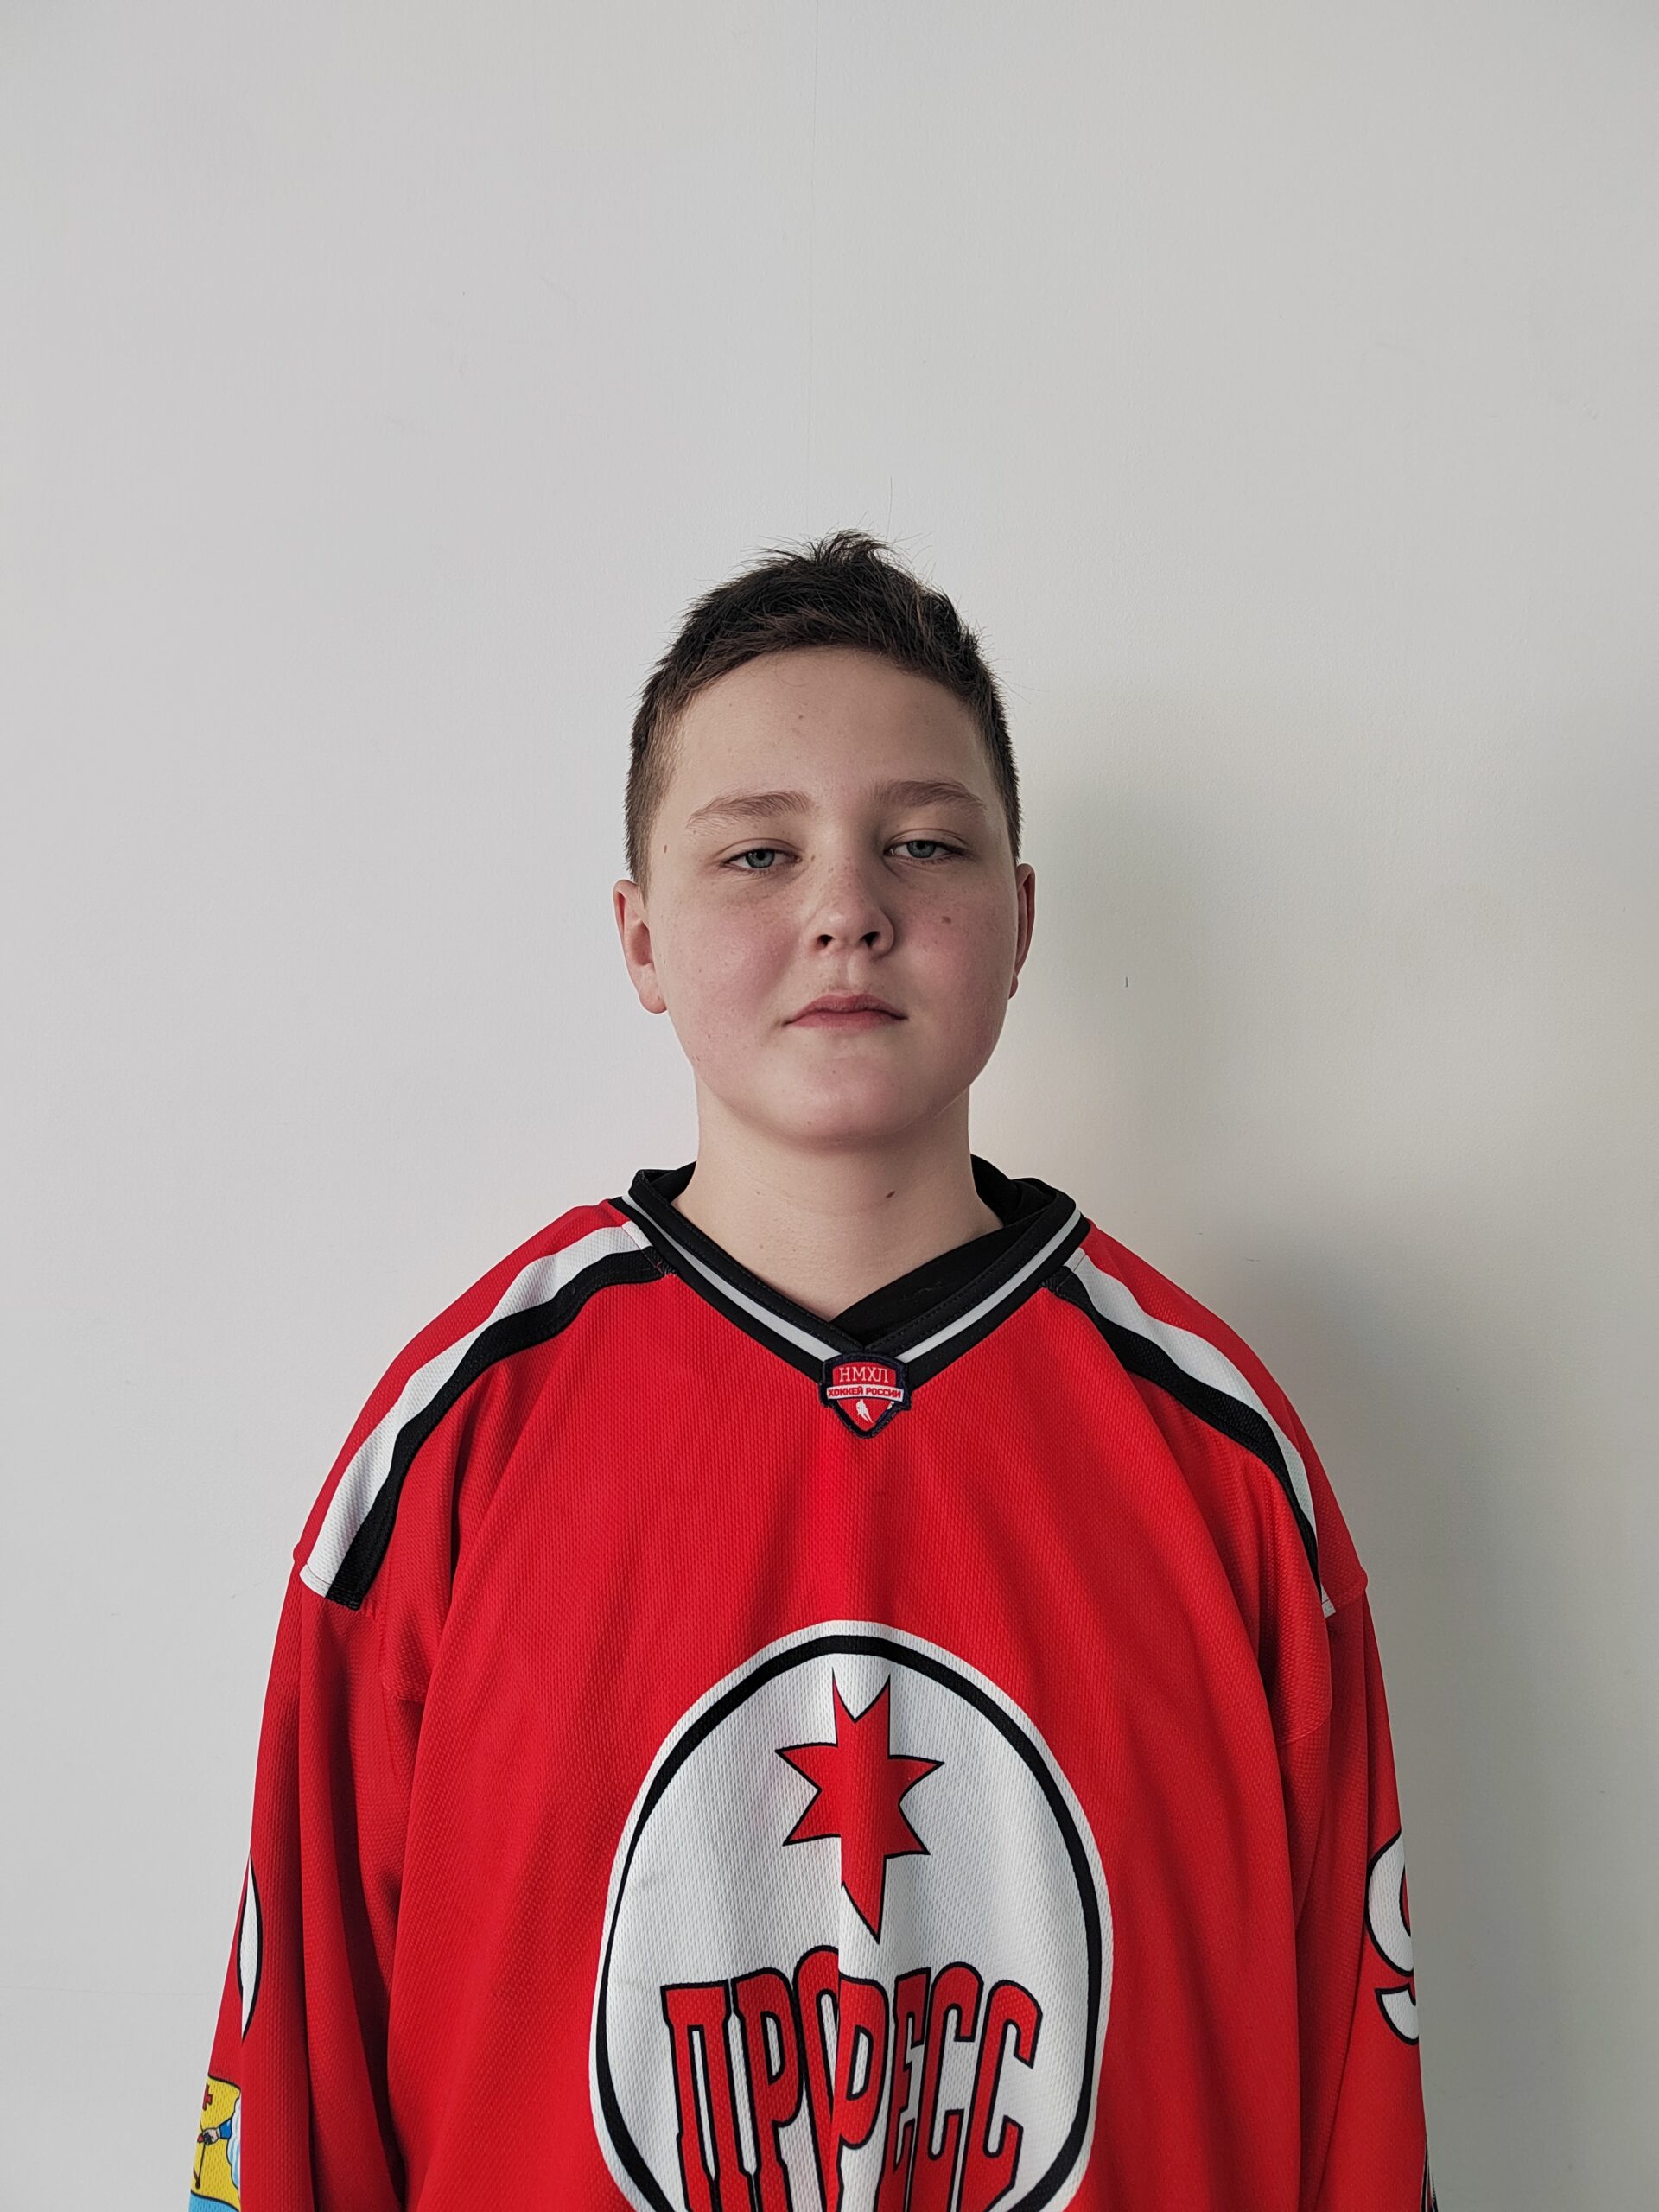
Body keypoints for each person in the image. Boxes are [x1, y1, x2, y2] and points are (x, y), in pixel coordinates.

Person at [190, 529, 1436, 2209]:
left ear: (1020, 921)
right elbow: (293, 2102)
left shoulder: (1218, 1458)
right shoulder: (455, 1450)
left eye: (922, 842)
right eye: (758, 853)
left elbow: (1356, 2108)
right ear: (640, 937)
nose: (847, 908)